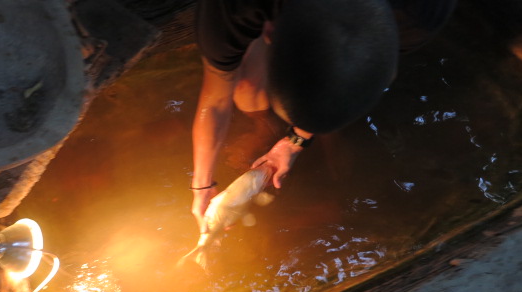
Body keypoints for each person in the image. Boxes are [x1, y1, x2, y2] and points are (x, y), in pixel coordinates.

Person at [190, 0, 457, 231]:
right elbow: (215, 100)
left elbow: (352, 83)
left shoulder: (421, 14)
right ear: (270, 31)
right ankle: (264, 124)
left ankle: (328, 139)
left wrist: (297, 141)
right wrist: (201, 185)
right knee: (244, 82)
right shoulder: (232, 10)